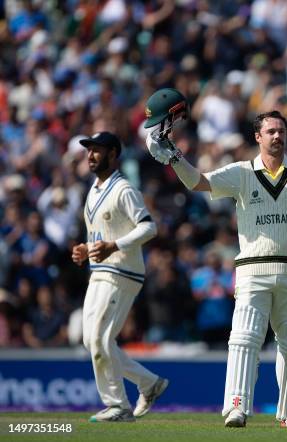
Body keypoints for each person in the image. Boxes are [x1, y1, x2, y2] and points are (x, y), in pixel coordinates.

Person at [143, 88, 287, 428]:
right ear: (258, 136)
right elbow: (199, 183)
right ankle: (237, 406)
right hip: (253, 270)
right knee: (244, 338)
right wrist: (176, 158)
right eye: (270, 131)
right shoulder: (241, 173)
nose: (277, 135)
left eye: (281, 131)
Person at [71, 131, 168, 422]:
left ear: (113, 154)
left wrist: (115, 245)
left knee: (100, 340)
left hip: (122, 272)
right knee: (92, 342)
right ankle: (148, 382)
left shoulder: (123, 188)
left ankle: (118, 405)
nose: (90, 155)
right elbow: (101, 235)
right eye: (88, 150)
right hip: (99, 272)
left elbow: (149, 228)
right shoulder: (94, 189)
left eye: (97, 150)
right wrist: (85, 249)